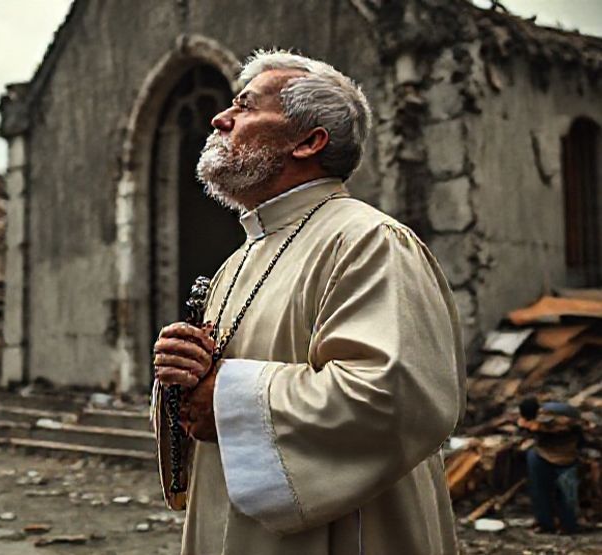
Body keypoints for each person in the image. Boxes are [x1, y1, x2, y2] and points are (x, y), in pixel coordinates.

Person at [151, 50, 465, 554]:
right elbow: (208, 401)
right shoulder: (239, 259)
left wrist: (226, 397)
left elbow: (396, 398)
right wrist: (184, 377)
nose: (219, 118)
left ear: (309, 141)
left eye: (246, 107)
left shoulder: (369, 241)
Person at [518, 397, 587, 534]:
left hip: (566, 456)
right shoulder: (532, 419)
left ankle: (568, 525)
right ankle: (545, 523)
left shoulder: (558, 416)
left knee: (567, 494)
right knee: (539, 491)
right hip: (542, 454)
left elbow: (576, 428)